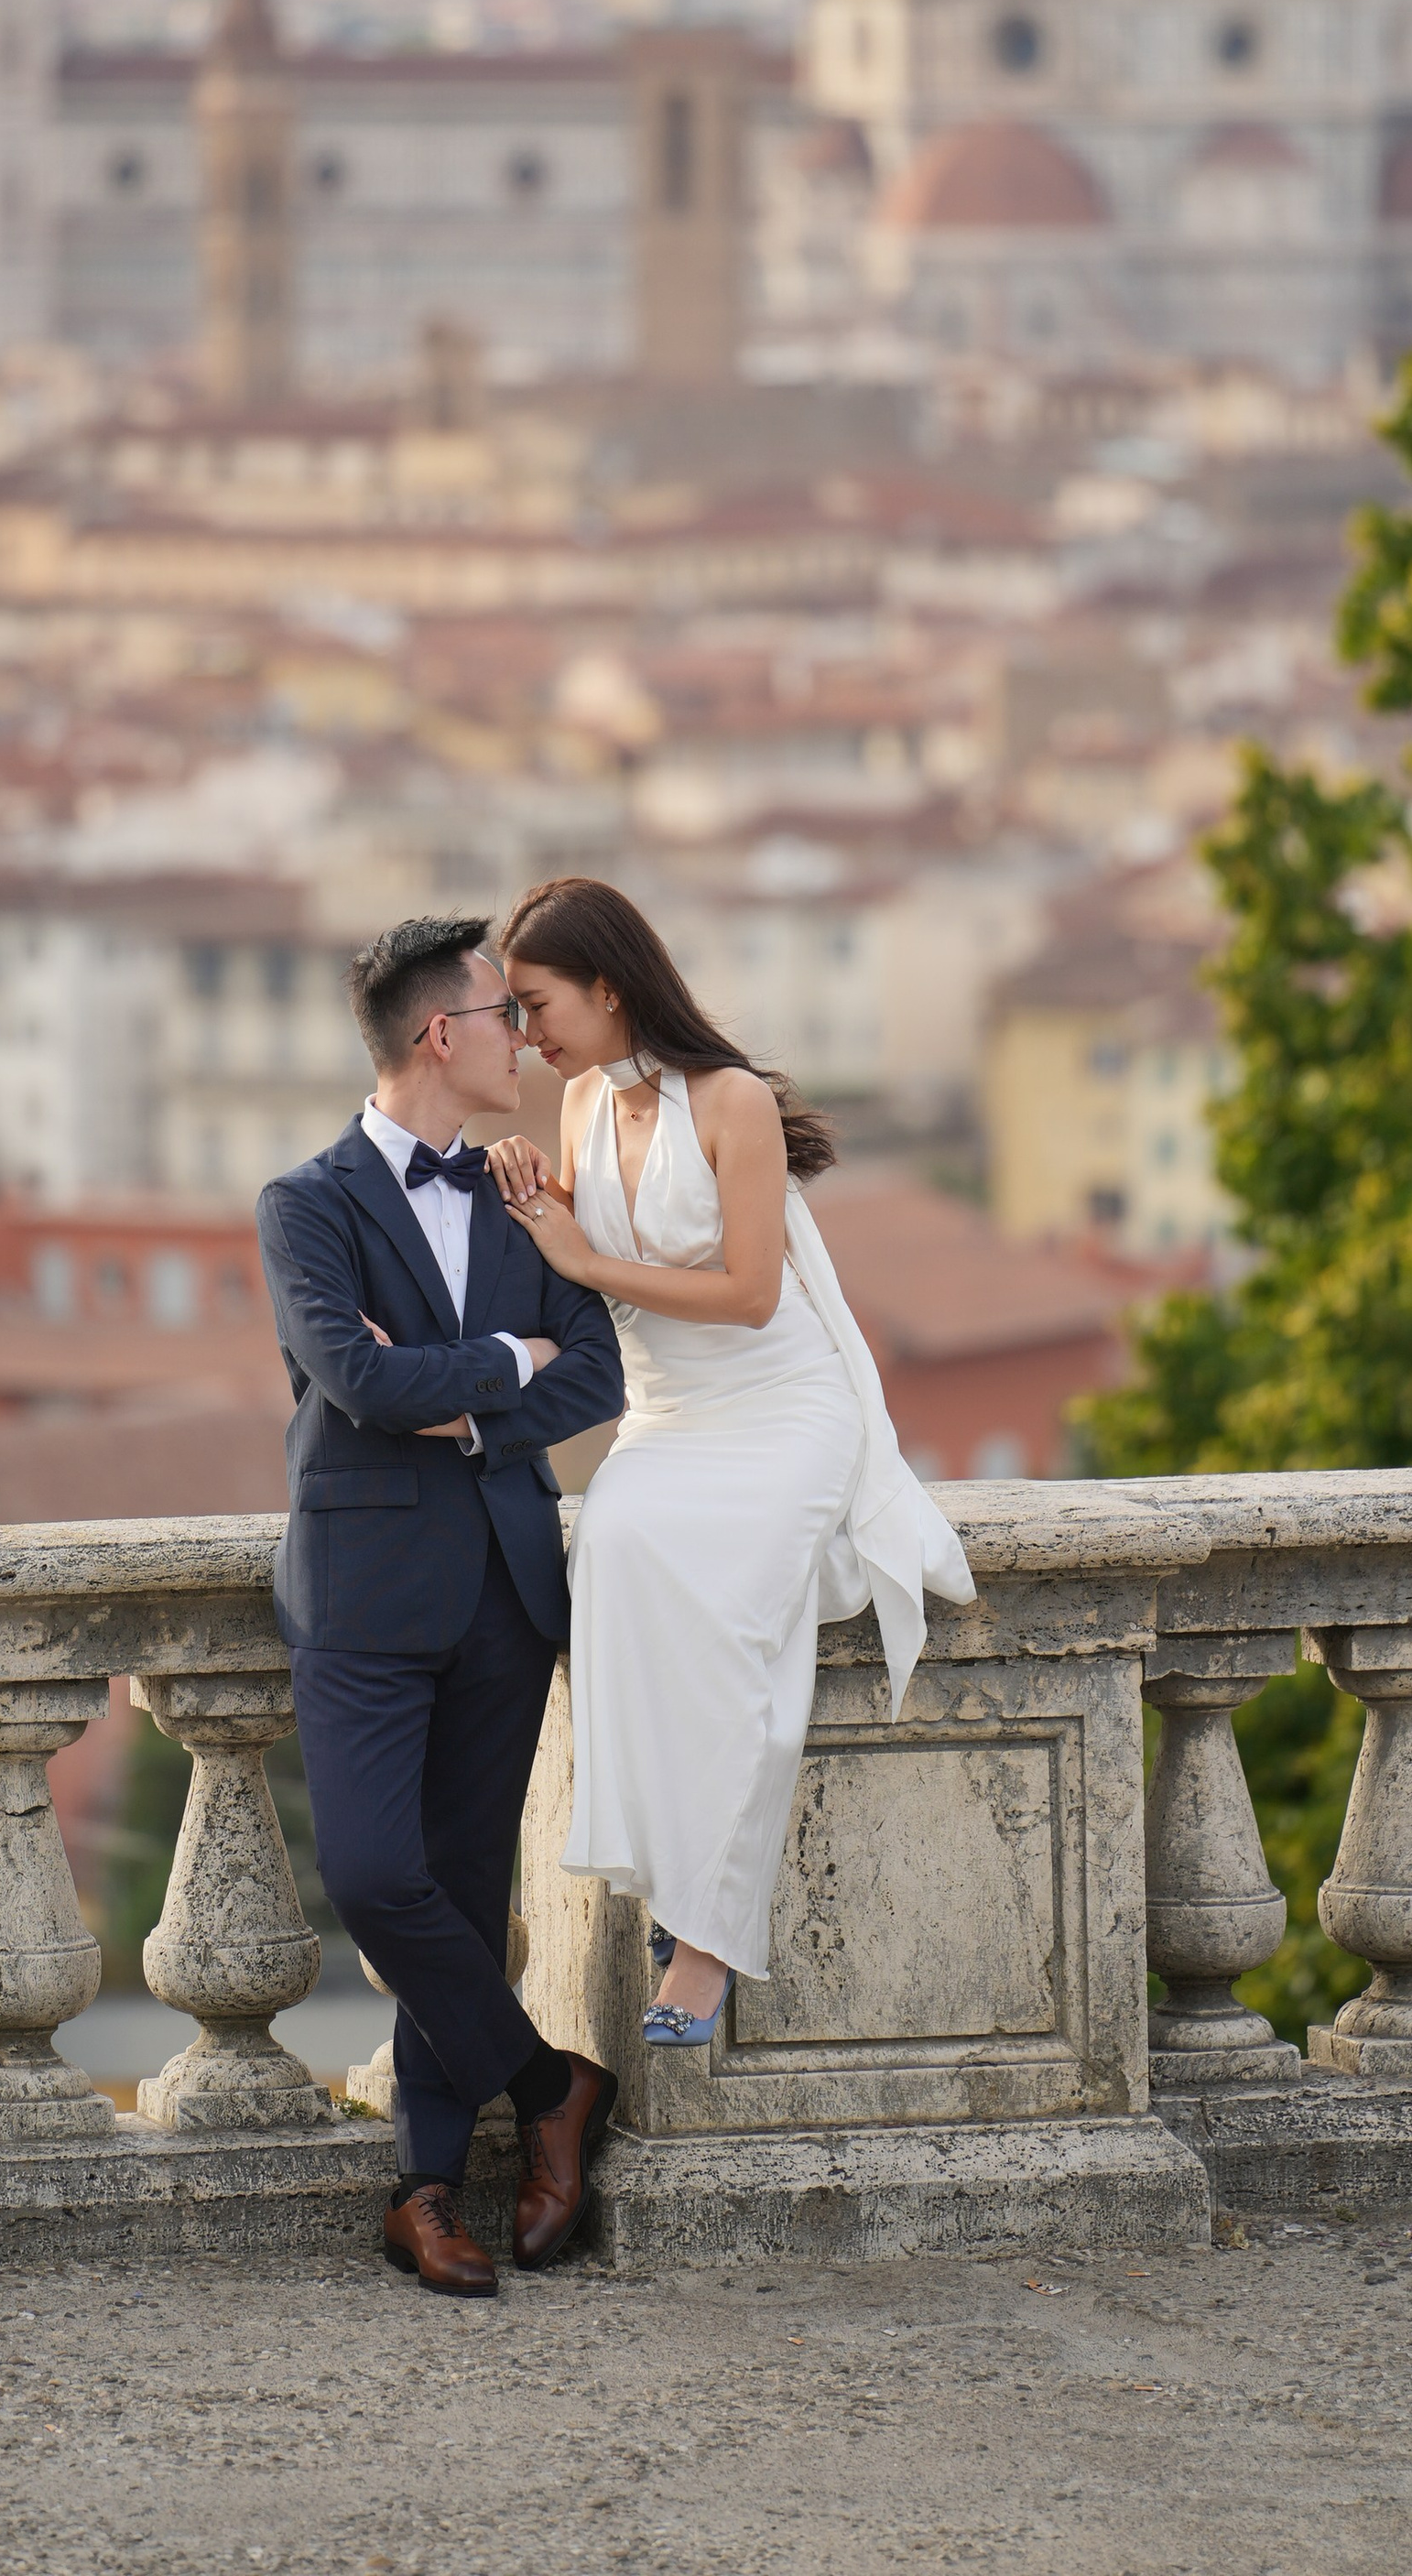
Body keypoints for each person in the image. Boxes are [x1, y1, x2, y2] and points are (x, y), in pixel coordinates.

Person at [490, 875, 975, 2046]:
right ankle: (672, 1873)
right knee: (609, 1552)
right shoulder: (581, 1112)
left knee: (746, 1638)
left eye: (536, 1003)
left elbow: (751, 1296)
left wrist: (583, 1257)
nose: (525, 1034)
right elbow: (582, 1261)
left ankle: (705, 1947)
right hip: (666, 1417)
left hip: (777, 1410)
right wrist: (533, 1208)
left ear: (608, 987)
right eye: (508, 1011)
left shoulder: (732, 1102)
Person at [255, 914, 626, 2299]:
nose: (522, 1040)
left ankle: (425, 2189)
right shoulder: (306, 1204)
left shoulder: (532, 1190)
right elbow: (357, 1383)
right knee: (369, 1878)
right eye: (503, 1016)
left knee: (466, 1897)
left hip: (505, 1589)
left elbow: (593, 1373)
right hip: (359, 1591)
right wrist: (504, 1365)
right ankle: (550, 2084)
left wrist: (468, 1395)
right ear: (439, 1036)